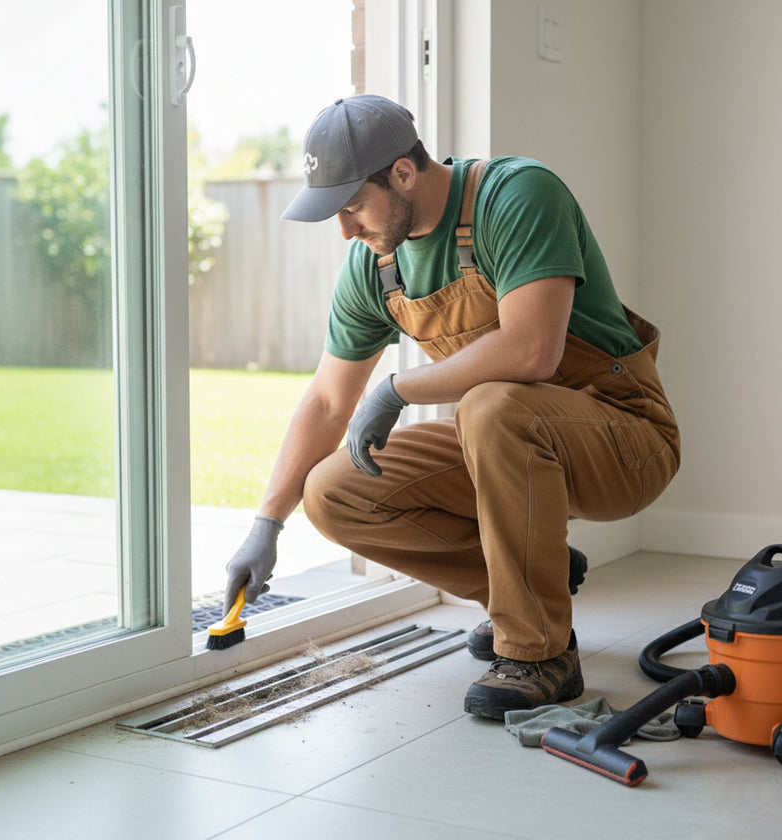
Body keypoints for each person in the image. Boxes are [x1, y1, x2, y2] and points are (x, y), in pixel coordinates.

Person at [222, 94, 680, 720]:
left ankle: (539, 654)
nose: (347, 230)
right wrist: (267, 524)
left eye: (353, 205)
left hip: (624, 435)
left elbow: (531, 351)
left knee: (491, 406)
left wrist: (396, 388)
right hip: (509, 444)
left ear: (403, 174)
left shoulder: (516, 195)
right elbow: (330, 400)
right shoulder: (374, 267)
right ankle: (531, 587)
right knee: (334, 490)